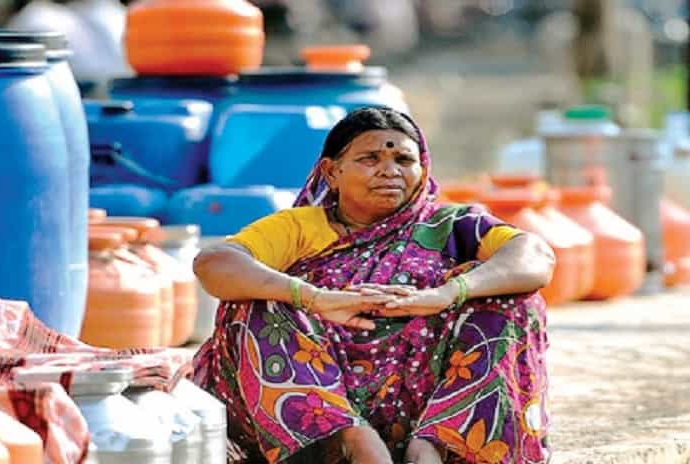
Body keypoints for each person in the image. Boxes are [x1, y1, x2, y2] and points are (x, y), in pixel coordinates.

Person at [191, 106, 556, 464]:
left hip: (426, 406)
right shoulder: (300, 226)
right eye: (370, 159)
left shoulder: (452, 224)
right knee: (254, 302)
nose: (389, 171)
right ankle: (355, 443)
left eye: (404, 160)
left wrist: (446, 293)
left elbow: (535, 256)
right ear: (331, 172)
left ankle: (432, 448)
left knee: (513, 299)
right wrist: (314, 298)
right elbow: (214, 263)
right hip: (315, 411)